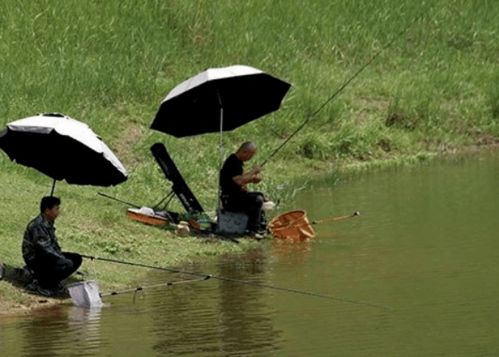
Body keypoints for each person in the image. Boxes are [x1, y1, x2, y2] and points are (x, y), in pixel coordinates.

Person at [22, 196, 82, 296]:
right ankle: (42, 285)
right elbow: (45, 249)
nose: (59, 212)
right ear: (47, 211)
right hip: (35, 258)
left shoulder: (48, 223)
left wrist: (61, 256)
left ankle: (52, 282)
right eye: (56, 209)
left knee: (76, 258)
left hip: (46, 255)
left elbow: (52, 245)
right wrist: (61, 258)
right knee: (66, 264)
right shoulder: (38, 225)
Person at [220, 142, 265, 235]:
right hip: (229, 199)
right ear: (245, 152)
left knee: (261, 195)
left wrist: (253, 179)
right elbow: (239, 181)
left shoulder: (238, 162)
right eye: (251, 155)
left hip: (236, 196)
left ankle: (261, 225)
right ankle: (253, 229)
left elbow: (240, 181)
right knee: (257, 199)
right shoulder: (232, 162)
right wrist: (253, 171)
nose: (251, 157)